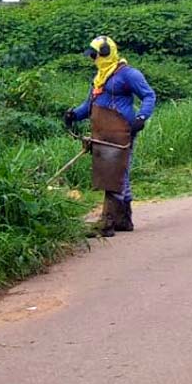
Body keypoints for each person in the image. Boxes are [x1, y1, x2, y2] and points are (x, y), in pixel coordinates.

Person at [64, 36, 156, 236]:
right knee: (119, 173)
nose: (93, 59)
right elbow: (89, 105)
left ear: (105, 53)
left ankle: (107, 222)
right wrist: (74, 115)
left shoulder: (128, 74)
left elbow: (149, 95)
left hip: (121, 130)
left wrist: (141, 117)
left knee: (115, 174)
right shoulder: (100, 77)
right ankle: (124, 219)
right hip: (102, 130)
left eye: (94, 55)